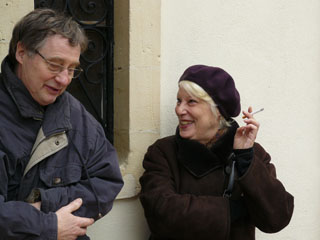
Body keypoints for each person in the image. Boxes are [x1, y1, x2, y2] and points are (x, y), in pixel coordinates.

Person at [0, 8, 123, 239]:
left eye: (72, 69)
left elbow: (107, 182)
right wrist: (48, 226)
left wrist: (43, 203)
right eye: (55, 65)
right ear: (21, 52)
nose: (64, 79)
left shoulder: (76, 114)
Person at [139, 65, 294, 240]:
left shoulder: (253, 153)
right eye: (178, 101)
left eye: (191, 102)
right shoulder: (163, 152)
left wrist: (246, 160)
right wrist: (234, 210)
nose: (179, 110)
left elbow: (277, 218)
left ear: (218, 111)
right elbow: (162, 214)